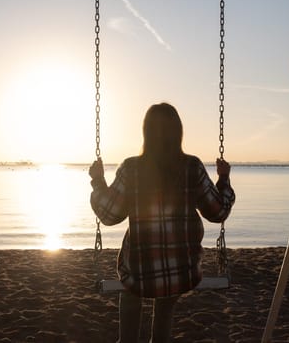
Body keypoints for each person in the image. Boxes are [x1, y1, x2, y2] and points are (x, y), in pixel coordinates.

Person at [89, 102, 235, 342]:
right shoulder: (192, 167)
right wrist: (224, 180)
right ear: (178, 132)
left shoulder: (131, 169)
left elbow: (109, 214)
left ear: (146, 132)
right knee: (166, 302)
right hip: (182, 270)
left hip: (139, 272)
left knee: (131, 293)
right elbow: (218, 212)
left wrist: (98, 182)